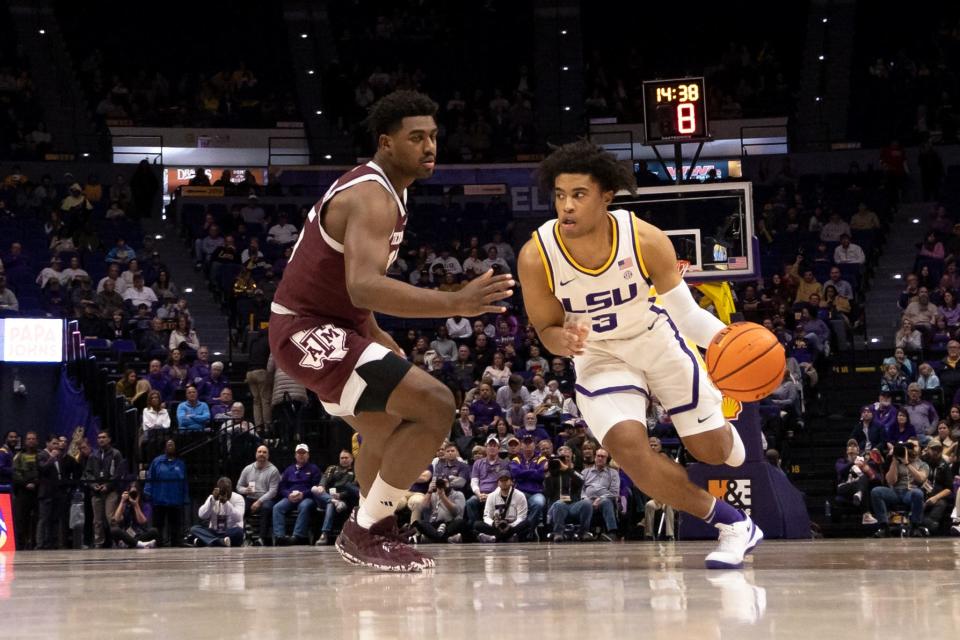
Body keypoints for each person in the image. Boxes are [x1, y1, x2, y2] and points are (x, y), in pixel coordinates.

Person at [268, 90, 513, 571]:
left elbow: (345, 288)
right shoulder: (372, 196)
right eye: (416, 137)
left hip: (333, 325)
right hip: (307, 329)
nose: (430, 146)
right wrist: (454, 302)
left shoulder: (389, 191)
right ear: (386, 142)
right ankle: (366, 530)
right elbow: (362, 286)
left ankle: (371, 528)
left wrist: (376, 334)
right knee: (437, 403)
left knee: (391, 430)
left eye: (434, 136)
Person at [517, 140, 761, 569]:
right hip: (600, 357)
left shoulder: (644, 238)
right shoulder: (537, 256)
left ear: (606, 196)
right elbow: (545, 328)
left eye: (578, 195)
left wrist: (732, 340)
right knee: (628, 446)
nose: (566, 206)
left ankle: (721, 434)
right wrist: (561, 340)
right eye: (559, 195)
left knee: (709, 451)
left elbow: (686, 316)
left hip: (657, 341)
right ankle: (732, 524)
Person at [273, 443, 321, 546]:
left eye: (304, 453)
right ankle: (279, 536)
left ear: (308, 455)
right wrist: (288, 495)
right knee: (277, 507)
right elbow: (282, 487)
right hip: (290, 497)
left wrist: (303, 494)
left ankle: (297, 536)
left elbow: (316, 487)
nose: (301, 455)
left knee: (305, 506)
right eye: (299, 453)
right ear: (295, 455)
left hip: (307, 497)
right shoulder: (289, 469)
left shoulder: (314, 469)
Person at [144, 439, 190, 547]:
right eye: (168, 444)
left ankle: (175, 543)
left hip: (175, 499)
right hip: (159, 499)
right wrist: (147, 491)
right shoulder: (156, 462)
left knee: (175, 525)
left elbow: (184, 482)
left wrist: (185, 497)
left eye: (172, 444)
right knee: (158, 525)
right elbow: (150, 477)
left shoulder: (180, 464)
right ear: (164, 447)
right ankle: (158, 543)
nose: (170, 446)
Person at [83, 430, 124, 548]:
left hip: (111, 491)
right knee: (97, 520)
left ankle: (117, 540)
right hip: (96, 492)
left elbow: (118, 473)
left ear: (109, 439)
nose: (101, 439)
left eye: (104, 437)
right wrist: (93, 485)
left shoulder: (116, 454)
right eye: (99, 437)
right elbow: (88, 473)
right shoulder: (93, 455)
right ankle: (98, 542)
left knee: (111, 517)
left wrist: (108, 485)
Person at [311, 450, 359, 545]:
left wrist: (340, 495)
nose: (344, 460)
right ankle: (333, 501)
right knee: (314, 489)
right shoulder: (333, 468)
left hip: (344, 500)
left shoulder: (356, 471)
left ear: (352, 459)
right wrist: (322, 486)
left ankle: (324, 534)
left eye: (346, 458)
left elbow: (354, 488)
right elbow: (325, 478)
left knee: (330, 504)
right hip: (328, 496)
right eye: (342, 458)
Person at [236, 444, 281, 545]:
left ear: (268, 456)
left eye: (264, 452)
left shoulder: (273, 470)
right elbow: (238, 487)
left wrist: (259, 502)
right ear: (256, 454)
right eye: (259, 452)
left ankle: (262, 538)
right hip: (251, 497)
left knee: (266, 508)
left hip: (267, 499)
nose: (262, 454)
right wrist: (245, 490)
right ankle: (242, 535)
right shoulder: (247, 469)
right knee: (240, 510)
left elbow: (273, 491)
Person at [474, 469, 529, 543]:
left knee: (527, 523)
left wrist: (510, 526)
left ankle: (495, 538)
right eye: (501, 480)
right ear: (498, 483)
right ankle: (508, 537)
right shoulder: (491, 496)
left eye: (506, 480)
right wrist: (493, 524)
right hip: (497, 526)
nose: (504, 483)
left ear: (511, 482)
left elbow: (521, 517)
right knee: (477, 524)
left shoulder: (520, 496)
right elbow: (487, 516)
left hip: (511, 525)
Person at [190, 477, 246, 547]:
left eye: (227, 490)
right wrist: (212, 501)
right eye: (223, 490)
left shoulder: (238, 498)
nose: (225, 492)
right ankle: (219, 541)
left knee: (239, 532)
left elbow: (239, 518)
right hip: (215, 531)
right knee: (194, 529)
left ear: (231, 488)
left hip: (230, 531)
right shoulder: (212, 498)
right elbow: (202, 515)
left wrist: (226, 503)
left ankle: (207, 541)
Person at [109, 482, 159, 549]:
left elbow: (142, 522)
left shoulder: (145, 505)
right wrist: (122, 501)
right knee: (114, 530)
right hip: (126, 534)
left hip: (139, 534)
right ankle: (140, 544)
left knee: (154, 531)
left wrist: (136, 505)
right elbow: (117, 519)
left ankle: (130, 543)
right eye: (131, 493)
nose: (133, 495)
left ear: (139, 494)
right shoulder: (124, 504)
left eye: (135, 493)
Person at [12, 431, 40, 549]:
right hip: (23, 492)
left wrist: (35, 483)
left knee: (38, 519)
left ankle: (36, 543)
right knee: (22, 519)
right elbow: (15, 473)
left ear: (37, 441)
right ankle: (21, 545)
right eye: (29, 439)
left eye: (33, 439)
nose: (31, 441)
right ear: (25, 441)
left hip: (38, 491)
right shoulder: (19, 456)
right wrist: (25, 484)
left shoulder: (41, 454)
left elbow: (43, 471)